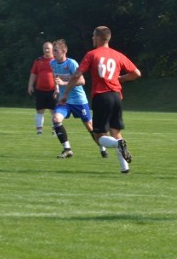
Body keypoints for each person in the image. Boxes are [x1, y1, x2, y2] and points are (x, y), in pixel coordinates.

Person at [59, 26, 141, 174]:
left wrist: (66, 93)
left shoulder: (92, 54)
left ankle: (119, 144)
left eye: (93, 36)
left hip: (101, 97)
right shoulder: (117, 55)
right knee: (115, 131)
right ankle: (125, 168)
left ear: (98, 38)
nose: (92, 39)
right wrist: (121, 78)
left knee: (99, 137)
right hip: (117, 96)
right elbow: (136, 73)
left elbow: (77, 75)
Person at [50, 39, 108, 159]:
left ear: (64, 51)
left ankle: (102, 148)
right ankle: (67, 149)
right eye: (52, 51)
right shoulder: (53, 64)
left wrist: (64, 83)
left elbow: (82, 81)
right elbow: (55, 77)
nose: (53, 53)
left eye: (55, 51)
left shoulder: (72, 64)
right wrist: (56, 88)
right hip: (64, 100)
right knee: (56, 118)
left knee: (90, 127)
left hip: (78, 101)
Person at [28, 41, 57, 135]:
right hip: (40, 89)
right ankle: (39, 131)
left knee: (54, 111)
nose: (46, 50)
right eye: (45, 48)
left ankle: (55, 130)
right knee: (40, 110)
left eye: (48, 48)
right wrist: (30, 85)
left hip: (53, 90)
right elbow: (33, 73)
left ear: (52, 49)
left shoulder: (56, 60)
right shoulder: (38, 60)